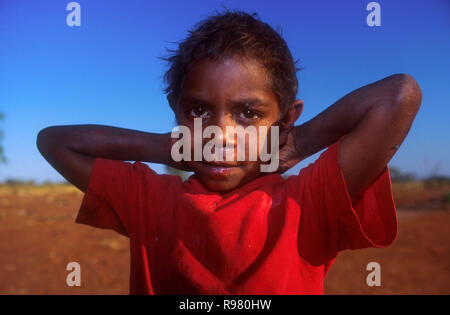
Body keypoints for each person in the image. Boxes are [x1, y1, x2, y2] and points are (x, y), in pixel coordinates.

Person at [36, 9, 422, 294]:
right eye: (198, 110)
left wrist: (298, 143)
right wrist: (168, 148)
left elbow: (398, 95)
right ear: (177, 111)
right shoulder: (149, 198)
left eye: (249, 113)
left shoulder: (307, 202)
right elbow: (54, 142)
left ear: (286, 119)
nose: (220, 133)